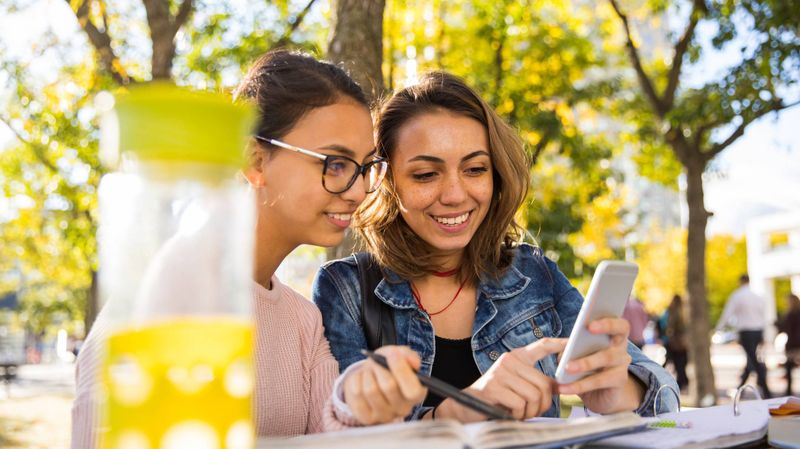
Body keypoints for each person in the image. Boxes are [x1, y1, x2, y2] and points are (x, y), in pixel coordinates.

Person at [71, 50, 424, 448]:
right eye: (335, 164)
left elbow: (332, 432)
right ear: (255, 160)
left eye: (363, 167)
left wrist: (360, 401)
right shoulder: (160, 296)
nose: (358, 191)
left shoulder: (302, 318)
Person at [313, 71, 678, 423]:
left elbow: (661, 392)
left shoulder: (534, 274)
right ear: (386, 180)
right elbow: (335, 427)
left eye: (475, 169)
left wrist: (620, 394)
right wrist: (453, 414)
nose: (456, 196)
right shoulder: (344, 288)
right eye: (426, 174)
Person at [716, 274, 772, 398]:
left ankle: (766, 391)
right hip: (757, 331)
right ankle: (740, 389)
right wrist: (765, 334)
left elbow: (727, 313)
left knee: (753, 360)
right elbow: (764, 316)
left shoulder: (737, 296)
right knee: (751, 360)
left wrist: (718, 328)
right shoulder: (757, 297)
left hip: (746, 332)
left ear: (740, 282)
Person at [664, 295, 688, 391]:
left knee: (677, 363)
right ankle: (683, 381)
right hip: (683, 343)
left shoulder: (674, 312)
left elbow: (670, 327)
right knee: (681, 364)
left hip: (676, 343)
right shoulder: (685, 311)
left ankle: (681, 382)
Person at [778, 293, 800, 396]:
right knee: (789, 368)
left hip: (793, 344)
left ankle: (788, 392)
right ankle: (788, 392)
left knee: (789, 369)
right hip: (794, 344)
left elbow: (786, 329)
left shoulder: (790, 315)